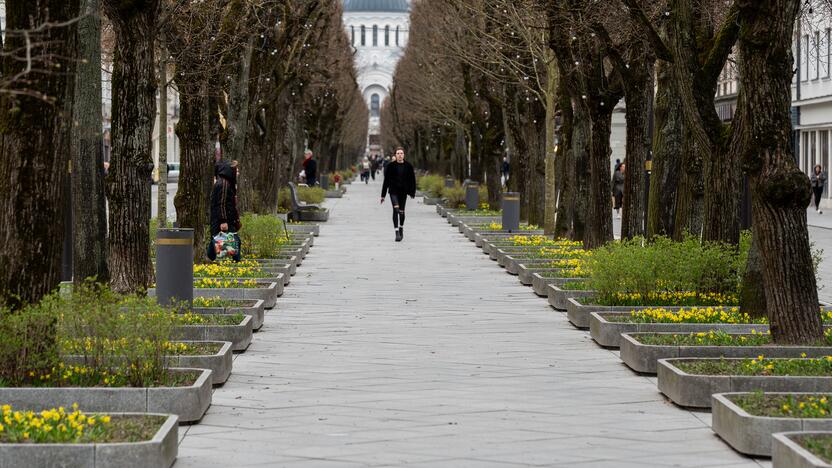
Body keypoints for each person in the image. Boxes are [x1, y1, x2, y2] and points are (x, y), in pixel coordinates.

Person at [381, 148, 417, 242]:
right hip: (393, 191)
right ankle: (396, 232)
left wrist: (412, 192)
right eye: (398, 153)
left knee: (401, 212)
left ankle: (401, 227)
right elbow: (386, 181)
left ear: (404, 155)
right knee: (396, 209)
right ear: (395, 155)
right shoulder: (390, 166)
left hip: (403, 192)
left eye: (401, 153)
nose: (400, 155)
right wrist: (383, 195)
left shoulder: (408, 166)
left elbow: (412, 180)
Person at [208, 160, 242, 261]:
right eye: (236, 171)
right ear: (230, 171)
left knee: (216, 241)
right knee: (236, 242)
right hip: (223, 220)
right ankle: (238, 263)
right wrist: (223, 221)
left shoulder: (225, 183)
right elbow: (221, 204)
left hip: (225, 219)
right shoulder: (223, 184)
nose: (238, 173)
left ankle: (209, 258)